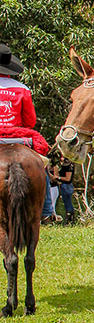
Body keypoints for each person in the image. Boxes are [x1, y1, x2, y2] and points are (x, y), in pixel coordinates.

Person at [0, 43, 56, 224]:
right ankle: (47, 209)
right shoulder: (22, 88)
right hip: (18, 136)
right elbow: (30, 121)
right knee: (41, 163)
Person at [56, 156, 76, 224]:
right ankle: (70, 218)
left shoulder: (69, 166)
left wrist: (58, 177)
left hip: (66, 185)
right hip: (65, 185)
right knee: (67, 202)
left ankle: (70, 219)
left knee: (68, 202)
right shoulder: (67, 165)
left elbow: (67, 179)